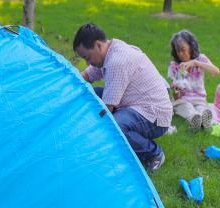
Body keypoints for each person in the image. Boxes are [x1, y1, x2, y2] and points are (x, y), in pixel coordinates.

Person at [73, 23, 172, 171]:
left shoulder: (117, 61)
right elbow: (87, 75)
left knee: (115, 125)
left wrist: (88, 136)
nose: (87, 62)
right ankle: (135, 139)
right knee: (92, 94)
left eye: (87, 57)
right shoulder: (110, 49)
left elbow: (107, 109)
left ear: (98, 45)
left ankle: (154, 153)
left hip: (155, 116)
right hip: (136, 105)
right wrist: (67, 84)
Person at [167, 30, 219, 130]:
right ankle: (196, 121)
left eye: (183, 49)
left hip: (199, 100)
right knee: (187, 108)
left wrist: (195, 63)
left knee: (201, 109)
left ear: (191, 46)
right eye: (178, 51)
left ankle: (202, 120)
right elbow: (176, 95)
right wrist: (176, 89)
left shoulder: (200, 59)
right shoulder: (174, 65)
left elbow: (216, 71)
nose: (181, 54)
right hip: (183, 100)